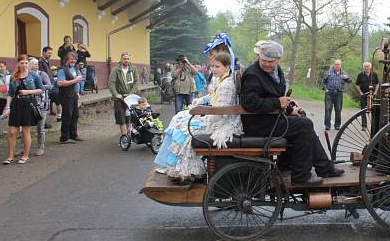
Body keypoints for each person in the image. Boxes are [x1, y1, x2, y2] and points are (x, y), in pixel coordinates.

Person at [240, 41, 343, 184]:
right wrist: (278, 103)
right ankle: (301, 175)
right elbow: (249, 103)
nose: (267, 64)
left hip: (270, 118)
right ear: (259, 56)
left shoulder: (276, 71)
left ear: (278, 60)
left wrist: (290, 110)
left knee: (302, 119)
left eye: (271, 61)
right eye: (264, 60)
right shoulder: (253, 74)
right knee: (305, 125)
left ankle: (321, 166)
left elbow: (276, 96)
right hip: (259, 124)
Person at [155, 53, 243, 181]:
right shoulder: (219, 78)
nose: (213, 69)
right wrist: (200, 101)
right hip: (214, 116)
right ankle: (169, 164)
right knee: (178, 117)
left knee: (184, 129)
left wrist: (201, 116)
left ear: (227, 67)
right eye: (212, 66)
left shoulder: (227, 85)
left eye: (217, 66)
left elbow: (220, 112)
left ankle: (185, 171)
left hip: (221, 123)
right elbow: (212, 96)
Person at [2, 54, 44, 164]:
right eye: (22, 63)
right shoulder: (14, 76)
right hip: (16, 104)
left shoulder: (34, 76)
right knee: (12, 132)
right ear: (18, 64)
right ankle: (10, 156)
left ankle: (25, 155)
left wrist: (28, 92)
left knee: (26, 131)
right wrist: (7, 107)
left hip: (28, 103)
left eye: (26, 63)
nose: (24, 65)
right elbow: (10, 94)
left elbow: (41, 90)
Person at [108, 52, 139, 137]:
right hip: (120, 97)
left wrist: (131, 93)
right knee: (121, 117)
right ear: (121, 60)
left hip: (130, 97)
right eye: (124, 59)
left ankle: (128, 136)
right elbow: (111, 83)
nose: (126, 60)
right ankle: (124, 137)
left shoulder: (133, 69)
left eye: (128, 59)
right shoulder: (116, 69)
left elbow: (136, 82)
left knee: (129, 117)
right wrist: (116, 94)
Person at [57, 52, 83, 143]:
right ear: (66, 59)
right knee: (67, 115)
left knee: (75, 115)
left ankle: (73, 135)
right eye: (71, 59)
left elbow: (77, 82)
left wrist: (77, 92)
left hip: (74, 95)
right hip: (66, 95)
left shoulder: (74, 68)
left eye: (75, 59)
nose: (73, 61)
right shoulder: (62, 70)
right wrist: (74, 80)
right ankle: (64, 137)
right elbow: (60, 83)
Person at [28, 58, 52, 156]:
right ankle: (24, 148)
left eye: (37, 64)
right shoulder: (27, 75)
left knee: (40, 127)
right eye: (34, 64)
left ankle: (40, 147)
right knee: (25, 127)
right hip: (29, 104)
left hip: (42, 104)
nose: (36, 65)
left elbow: (49, 85)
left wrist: (38, 87)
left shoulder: (42, 74)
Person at [321, 59, 351, 130]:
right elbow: (323, 82)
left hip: (339, 94)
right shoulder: (328, 72)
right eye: (336, 64)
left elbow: (350, 81)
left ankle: (337, 125)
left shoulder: (344, 73)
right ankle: (327, 125)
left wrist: (347, 78)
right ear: (333, 65)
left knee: (338, 110)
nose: (337, 65)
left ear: (340, 65)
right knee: (328, 109)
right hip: (329, 93)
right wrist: (326, 89)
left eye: (338, 64)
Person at [355, 62, 380, 131]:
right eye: (365, 66)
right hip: (364, 95)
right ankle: (364, 126)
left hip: (372, 95)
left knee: (374, 110)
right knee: (363, 110)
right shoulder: (360, 75)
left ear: (370, 67)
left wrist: (375, 92)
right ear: (363, 67)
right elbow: (357, 84)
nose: (366, 68)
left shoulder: (374, 74)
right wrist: (360, 92)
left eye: (368, 66)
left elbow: (377, 83)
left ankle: (374, 126)